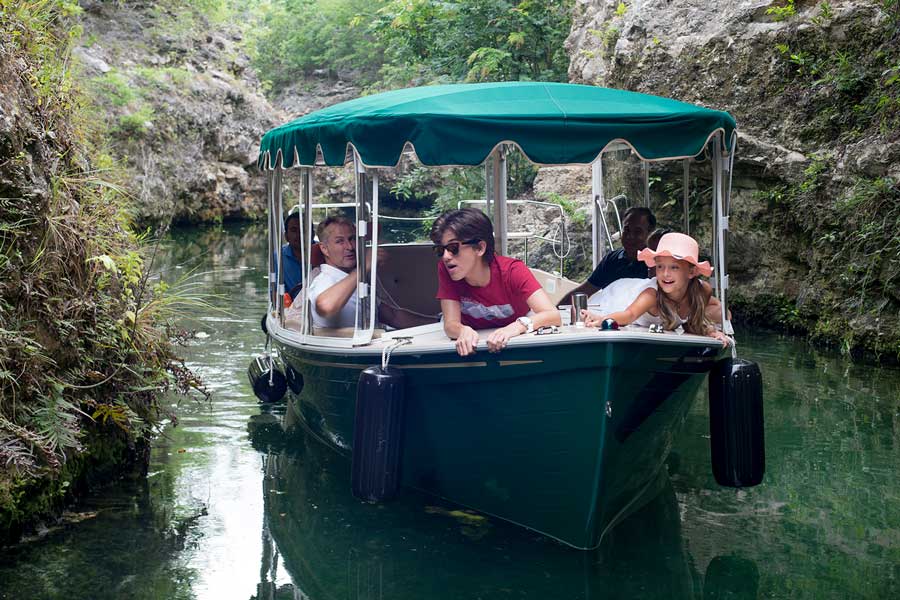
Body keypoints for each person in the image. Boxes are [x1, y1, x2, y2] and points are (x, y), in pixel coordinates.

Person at [432, 208, 561, 356]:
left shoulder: (513, 271)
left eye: (453, 248)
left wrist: (513, 328)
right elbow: (450, 324)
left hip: (515, 340)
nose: (446, 257)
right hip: (472, 345)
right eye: (440, 250)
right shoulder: (446, 269)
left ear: (480, 248)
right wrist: (463, 330)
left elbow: (552, 315)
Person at [583, 232, 730, 346]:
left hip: (631, 293)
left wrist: (711, 331)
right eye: (660, 266)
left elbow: (690, 325)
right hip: (618, 297)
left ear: (691, 272)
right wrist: (603, 319)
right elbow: (629, 315)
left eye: (674, 267)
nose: (665, 274)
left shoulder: (702, 290)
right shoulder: (652, 295)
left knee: (722, 312)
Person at [307, 215, 434, 330]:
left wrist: (439, 322)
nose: (350, 247)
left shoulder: (352, 280)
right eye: (340, 241)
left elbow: (393, 316)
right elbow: (325, 306)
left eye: (352, 239)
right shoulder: (325, 280)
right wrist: (363, 267)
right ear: (324, 249)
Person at [559, 207, 656, 305]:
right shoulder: (611, 260)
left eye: (637, 232)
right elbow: (585, 290)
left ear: (650, 233)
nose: (630, 236)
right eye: (626, 230)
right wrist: (555, 311)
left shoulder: (656, 264)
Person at [281, 210, 304, 299]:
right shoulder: (279, 257)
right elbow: (275, 291)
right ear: (286, 236)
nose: (299, 235)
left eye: (303, 229)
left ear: (312, 233)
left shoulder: (324, 252)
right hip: (291, 308)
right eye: (294, 230)